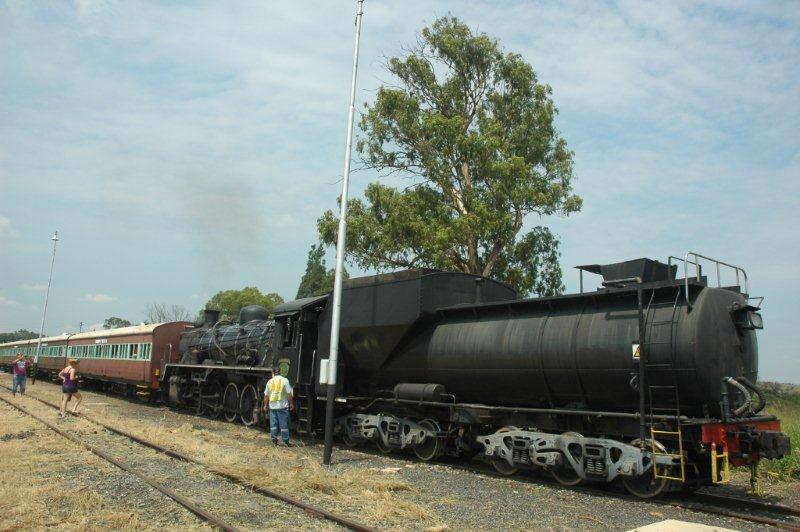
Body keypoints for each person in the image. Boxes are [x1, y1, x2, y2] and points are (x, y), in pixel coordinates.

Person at [262, 372, 294, 446]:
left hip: (273, 406)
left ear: (273, 373)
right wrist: (291, 403)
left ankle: (274, 441)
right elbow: (289, 394)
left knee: (273, 425)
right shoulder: (285, 380)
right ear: (280, 372)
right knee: (284, 424)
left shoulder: (269, 382)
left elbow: (266, 395)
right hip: (282, 406)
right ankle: (286, 441)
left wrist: (265, 405)